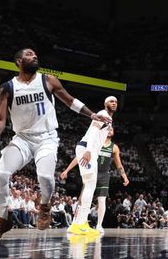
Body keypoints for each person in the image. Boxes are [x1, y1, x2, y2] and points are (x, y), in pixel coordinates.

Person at [0, 48, 112, 241]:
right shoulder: (7, 88)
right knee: (1, 174)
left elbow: (69, 100)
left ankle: (44, 205)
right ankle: (2, 218)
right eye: (29, 54)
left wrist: (91, 114)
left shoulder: (48, 80)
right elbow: (1, 118)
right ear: (18, 61)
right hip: (22, 138)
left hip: (47, 137)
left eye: (36, 54)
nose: (34, 56)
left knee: (45, 177)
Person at [65, 96, 119, 237]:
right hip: (87, 149)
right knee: (89, 186)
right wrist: (88, 151)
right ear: (105, 103)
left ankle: (76, 223)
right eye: (111, 101)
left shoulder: (108, 118)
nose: (114, 103)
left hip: (91, 151)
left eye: (116, 102)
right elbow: (94, 132)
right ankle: (81, 224)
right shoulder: (103, 114)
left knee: (89, 186)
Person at [61, 125, 129, 235]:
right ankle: (75, 223)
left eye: (111, 129)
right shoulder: (95, 143)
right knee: (82, 199)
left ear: (113, 132)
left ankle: (99, 225)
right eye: (108, 128)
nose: (109, 130)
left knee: (102, 200)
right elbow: (80, 157)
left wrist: (124, 177)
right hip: (92, 172)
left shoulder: (114, 147)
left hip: (104, 175)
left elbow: (119, 165)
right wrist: (67, 170)